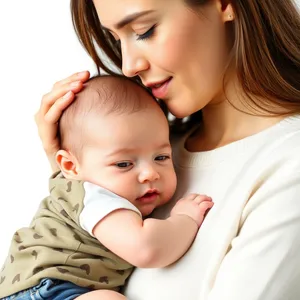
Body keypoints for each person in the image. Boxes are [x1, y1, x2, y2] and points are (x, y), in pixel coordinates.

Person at [34, 0, 300, 299]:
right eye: (115, 39)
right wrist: (69, 170)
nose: (128, 65)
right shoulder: (140, 157)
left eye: (144, 30)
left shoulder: (288, 166)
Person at [0, 75, 213, 299]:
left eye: (161, 157)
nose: (150, 173)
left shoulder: (82, 183)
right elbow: (146, 248)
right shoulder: (95, 197)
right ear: (71, 166)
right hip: (46, 289)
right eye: (123, 164)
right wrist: (184, 219)